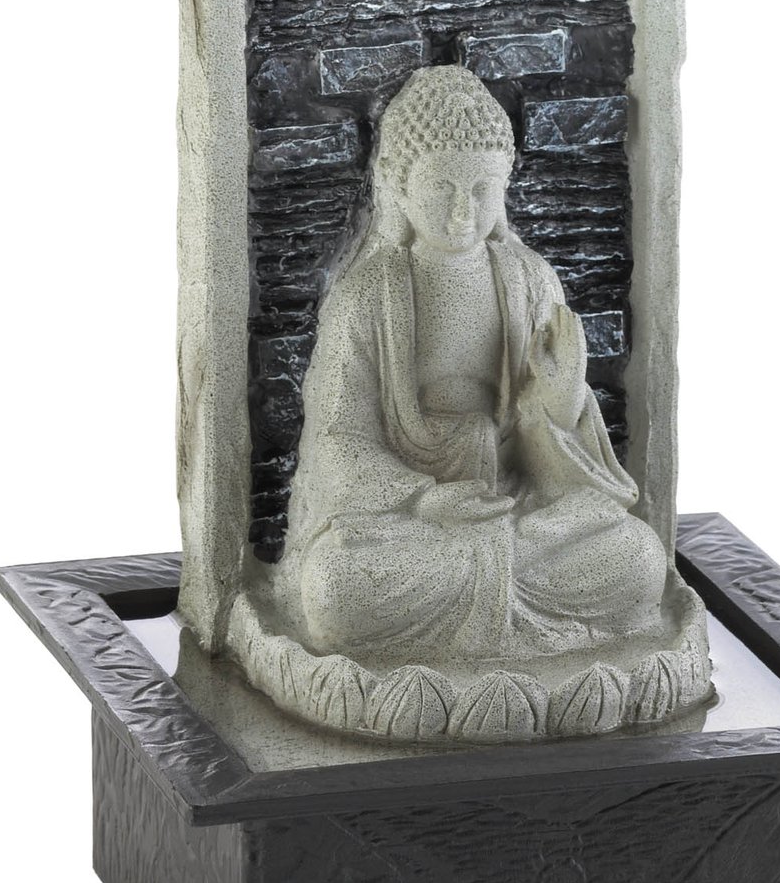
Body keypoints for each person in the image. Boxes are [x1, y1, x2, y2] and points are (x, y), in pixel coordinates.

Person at [277, 66, 669, 665]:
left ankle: (486, 599)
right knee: (336, 590)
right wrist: (422, 499)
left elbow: (550, 452)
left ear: (504, 187)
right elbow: (338, 441)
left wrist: (560, 401)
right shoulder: (367, 296)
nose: (463, 210)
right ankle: (501, 604)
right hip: (413, 524)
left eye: (482, 189)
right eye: (442, 188)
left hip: (516, 505)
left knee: (637, 557)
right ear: (400, 186)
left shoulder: (530, 280)